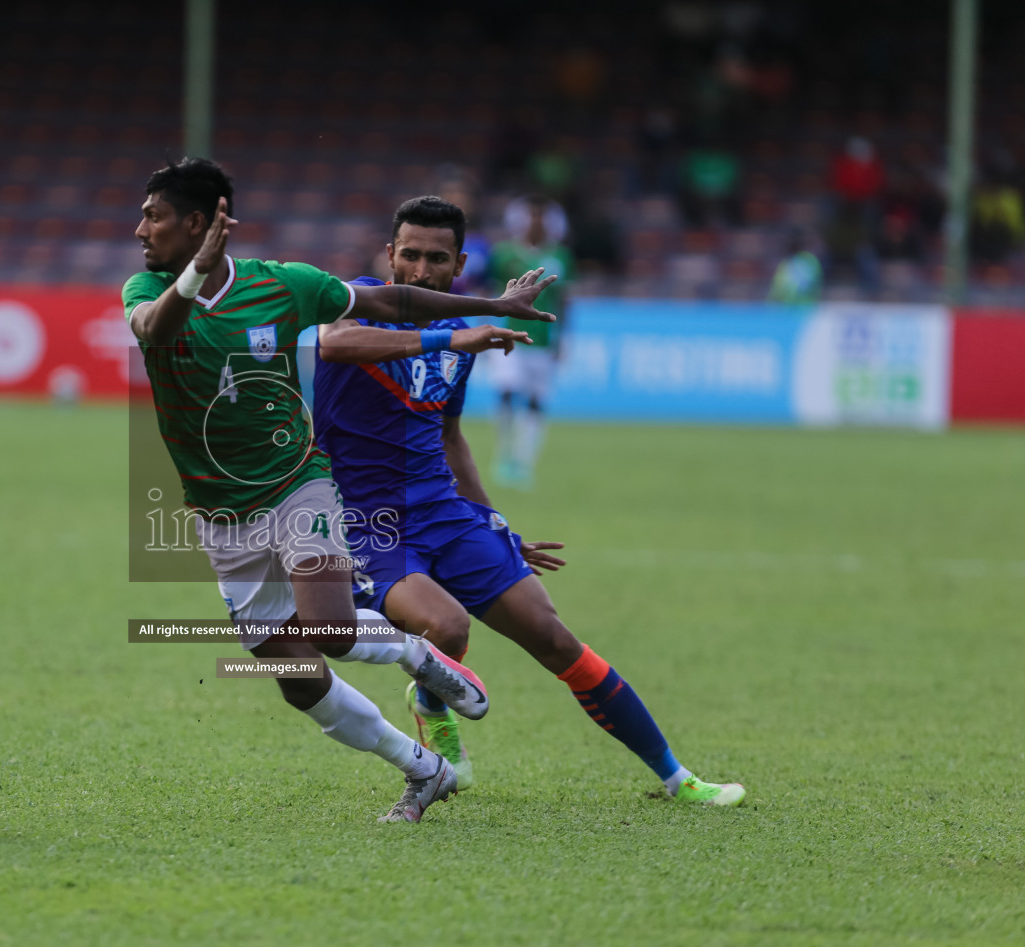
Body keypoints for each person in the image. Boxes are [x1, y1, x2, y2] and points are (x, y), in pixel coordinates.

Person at [123, 158, 552, 822]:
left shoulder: (282, 285)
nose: (140, 228)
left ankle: (420, 656)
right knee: (297, 679)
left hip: (299, 484)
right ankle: (423, 770)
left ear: (199, 222)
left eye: (154, 215)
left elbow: (389, 301)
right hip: (220, 515)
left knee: (328, 624)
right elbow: (156, 328)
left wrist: (488, 304)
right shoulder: (146, 290)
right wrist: (192, 272)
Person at [314, 195, 746, 807]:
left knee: (554, 639)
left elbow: (449, 436)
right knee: (446, 627)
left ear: (460, 263)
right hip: (373, 526)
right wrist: (452, 336)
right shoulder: (362, 301)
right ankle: (434, 711)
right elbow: (335, 344)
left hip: (444, 512)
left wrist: (494, 521)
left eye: (436, 258)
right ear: (389, 254)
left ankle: (677, 777)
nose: (419, 269)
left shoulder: (454, 341)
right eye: (408, 254)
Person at [487, 195, 571, 489]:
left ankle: (524, 462)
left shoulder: (560, 256)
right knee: (508, 391)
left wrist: (566, 338)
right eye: (532, 217)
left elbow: (565, 300)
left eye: (541, 217)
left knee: (536, 401)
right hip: (509, 336)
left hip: (544, 340)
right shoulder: (504, 254)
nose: (536, 223)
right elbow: (490, 292)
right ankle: (504, 455)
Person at [769, 230, 823, 304]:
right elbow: (777, 287)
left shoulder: (807, 260)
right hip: (785, 308)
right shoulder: (786, 262)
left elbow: (807, 285)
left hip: (803, 307)